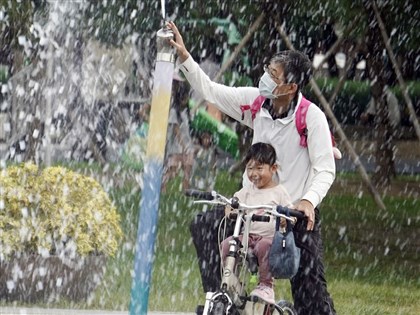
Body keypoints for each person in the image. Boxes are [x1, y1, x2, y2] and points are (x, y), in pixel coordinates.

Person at [168, 21, 337, 315]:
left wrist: (308, 202)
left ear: (291, 86)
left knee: (311, 295)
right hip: (250, 209)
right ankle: (221, 299)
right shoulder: (256, 103)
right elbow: (210, 90)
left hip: (290, 215)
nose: (265, 78)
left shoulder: (311, 118)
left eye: (273, 75)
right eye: (267, 71)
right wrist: (184, 57)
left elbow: (325, 169)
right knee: (204, 225)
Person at [220, 142, 292, 304]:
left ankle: (266, 285)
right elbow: (233, 202)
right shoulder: (248, 190)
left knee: (263, 246)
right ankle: (233, 282)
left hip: (270, 240)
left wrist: (285, 220)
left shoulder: (279, 192)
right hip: (248, 238)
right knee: (227, 245)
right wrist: (230, 209)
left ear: (273, 169)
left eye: (259, 168)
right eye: (250, 168)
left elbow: (289, 213)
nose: (254, 174)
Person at [162, 77, 194, 191]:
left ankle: (186, 189)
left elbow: (187, 130)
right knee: (173, 169)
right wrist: (183, 146)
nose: (186, 100)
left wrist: (188, 146)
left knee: (187, 168)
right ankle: (163, 185)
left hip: (187, 145)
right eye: (185, 97)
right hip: (177, 147)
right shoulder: (173, 112)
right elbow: (176, 130)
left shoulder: (185, 112)